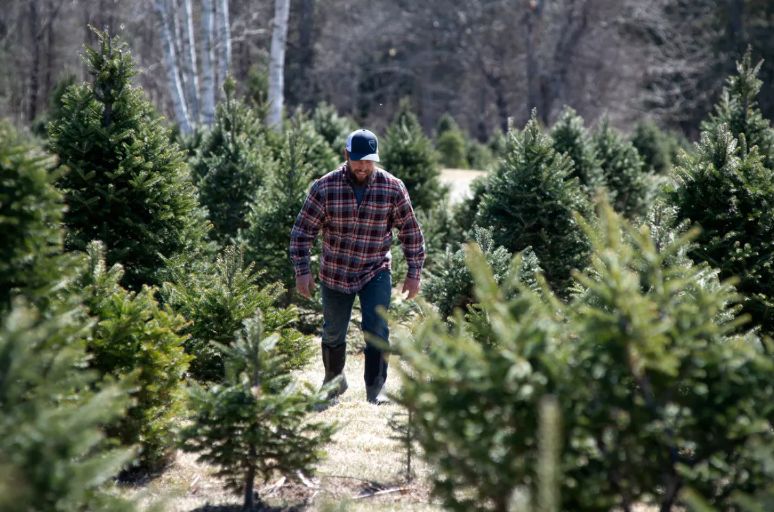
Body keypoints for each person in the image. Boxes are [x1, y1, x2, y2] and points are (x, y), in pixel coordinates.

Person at [289, 128, 425, 404]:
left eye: (369, 160)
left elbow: (410, 232)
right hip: (336, 271)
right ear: (346, 155)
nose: (363, 166)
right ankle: (334, 382)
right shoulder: (325, 187)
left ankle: (377, 389)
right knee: (333, 330)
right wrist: (302, 271)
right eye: (358, 160)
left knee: (377, 328)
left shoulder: (392, 187)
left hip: (375, 269)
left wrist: (414, 272)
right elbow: (302, 232)